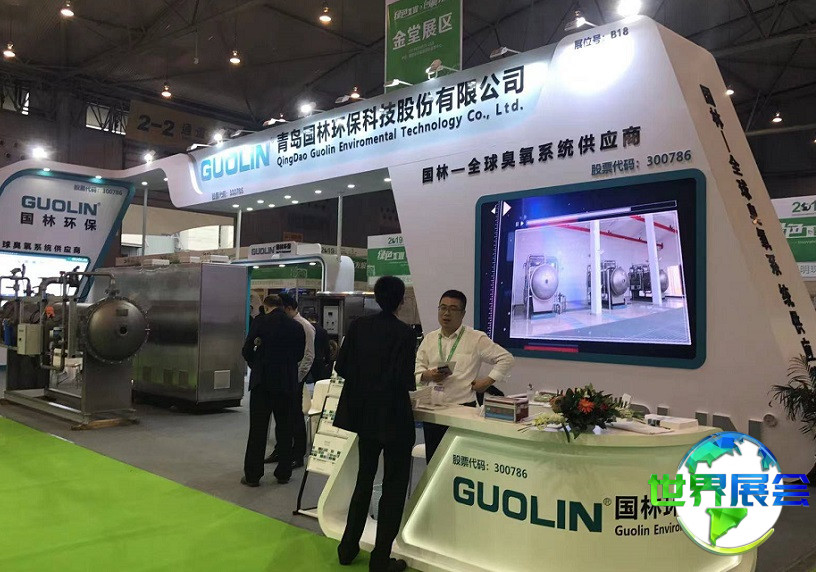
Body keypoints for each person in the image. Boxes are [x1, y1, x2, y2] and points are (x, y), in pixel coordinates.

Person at [333, 276, 416, 572]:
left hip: (364, 416)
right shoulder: (405, 333)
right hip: (395, 418)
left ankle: (347, 549)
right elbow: (405, 379)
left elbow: (341, 366)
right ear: (401, 301)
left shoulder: (358, 327)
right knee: (393, 487)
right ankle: (380, 560)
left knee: (364, 480)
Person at [415, 289, 514, 463]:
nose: (446, 313)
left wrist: (487, 382)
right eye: (443, 308)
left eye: (453, 309)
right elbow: (417, 368)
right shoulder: (430, 338)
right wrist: (428, 375)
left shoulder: (475, 338)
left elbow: (506, 358)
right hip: (433, 410)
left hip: (462, 409)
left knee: (459, 463)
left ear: (462, 314)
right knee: (434, 463)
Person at [241, 294, 305, 486]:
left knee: (258, 430)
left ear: (267, 306)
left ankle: (253, 475)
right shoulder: (296, 326)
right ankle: (283, 472)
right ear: (283, 306)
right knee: (285, 428)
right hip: (287, 383)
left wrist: (257, 364)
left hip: (262, 383)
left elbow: (246, 350)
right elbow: (299, 354)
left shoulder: (260, 323)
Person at [265, 292, 315, 468]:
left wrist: (297, 378)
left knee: (295, 416)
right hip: (284, 378)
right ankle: (281, 450)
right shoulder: (286, 324)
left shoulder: (304, 326)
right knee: (282, 417)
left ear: (287, 308)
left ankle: (298, 454)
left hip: (295, 378)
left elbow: (308, 356)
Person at [308, 317, 333, 381]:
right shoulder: (323, 331)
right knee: (318, 380)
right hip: (319, 359)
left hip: (308, 358)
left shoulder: (306, 329)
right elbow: (326, 347)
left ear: (309, 319)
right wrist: (327, 360)